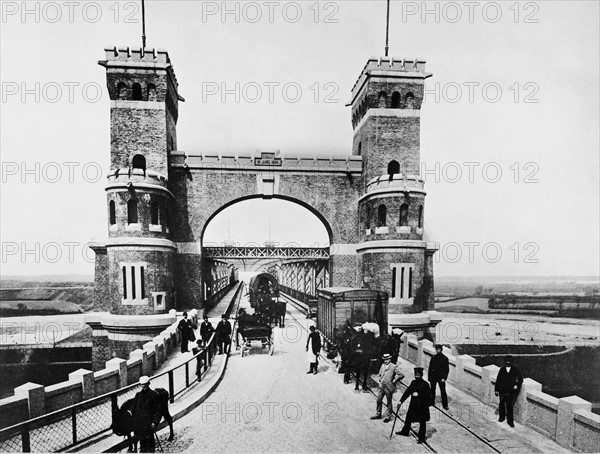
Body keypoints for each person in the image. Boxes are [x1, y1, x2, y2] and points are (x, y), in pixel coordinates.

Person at [396, 367, 431, 444]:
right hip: (413, 405)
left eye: (418, 375)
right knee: (408, 418)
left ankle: (421, 438)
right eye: (416, 375)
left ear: (421, 375)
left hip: (422, 406)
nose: (417, 376)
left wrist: (419, 395)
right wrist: (400, 401)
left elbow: (429, 397)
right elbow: (407, 392)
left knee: (422, 422)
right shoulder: (413, 383)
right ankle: (405, 431)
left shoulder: (425, 384)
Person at [131, 376, 162, 453]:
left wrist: (155, 422)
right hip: (140, 424)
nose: (143, 386)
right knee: (142, 443)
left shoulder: (154, 395)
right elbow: (133, 409)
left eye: (145, 384)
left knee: (150, 443)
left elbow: (158, 411)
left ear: (148, 383)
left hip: (149, 424)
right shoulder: (138, 395)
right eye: (142, 384)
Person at [370, 353, 404, 422]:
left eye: (387, 360)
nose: (386, 361)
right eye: (385, 360)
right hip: (382, 386)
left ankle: (388, 416)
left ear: (390, 359)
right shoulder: (382, 366)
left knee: (389, 402)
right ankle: (378, 414)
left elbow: (401, 375)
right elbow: (379, 374)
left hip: (389, 387)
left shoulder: (394, 366)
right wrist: (379, 380)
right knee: (378, 400)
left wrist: (394, 381)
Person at [495, 355, 523, 428]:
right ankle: (502, 417)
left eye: (509, 361)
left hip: (510, 392)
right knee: (501, 404)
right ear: (505, 362)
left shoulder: (515, 369)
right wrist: (496, 390)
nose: (508, 363)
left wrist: (516, 385)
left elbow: (520, 379)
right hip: (502, 391)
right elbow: (498, 380)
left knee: (509, 406)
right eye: (507, 361)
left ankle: (510, 421)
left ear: (512, 362)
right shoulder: (502, 369)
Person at [429, 344, 449, 410]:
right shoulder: (433, 358)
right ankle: (431, 402)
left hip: (441, 378)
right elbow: (430, 368)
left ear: (441, 350)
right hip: (434, 377)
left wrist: (444, 378)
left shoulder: (445, 358)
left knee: (443, 391)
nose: (438, 351)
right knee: (432, 390)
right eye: (437, 349)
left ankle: (445, 405)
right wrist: (430, 377)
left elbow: (446, 370)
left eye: (439, 349)